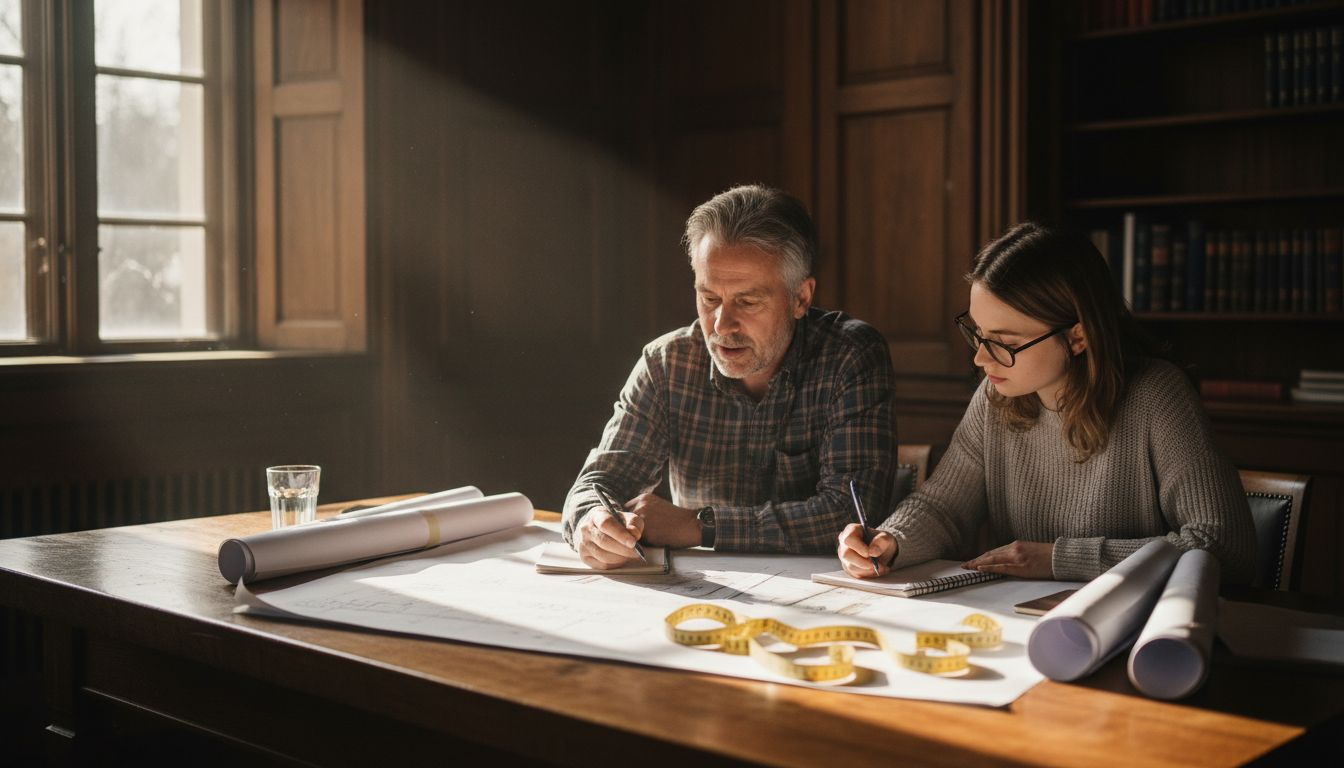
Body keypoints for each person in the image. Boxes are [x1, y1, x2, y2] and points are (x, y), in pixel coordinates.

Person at [837, 222, 1256, 584]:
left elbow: (1223, 544)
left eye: (1004, 343)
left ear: (1077, 336)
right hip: (1022, 619)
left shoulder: (1157, 395)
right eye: (978, 333)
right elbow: (943, 508)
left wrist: (1059, 559)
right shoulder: (997, 394)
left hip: (1132, 629)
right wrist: (891, 542)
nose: (980, 359)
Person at [563, 184, 896, 568]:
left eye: (747, 301)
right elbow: (595, 486)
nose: (722, 324)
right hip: (702, 597)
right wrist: (592, 523)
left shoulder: (850, 355)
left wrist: (698, 526)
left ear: (801, 298)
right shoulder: (665, 364)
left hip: (825, 597)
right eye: (709, 298)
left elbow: (851, 515)